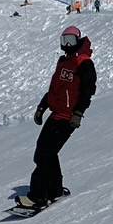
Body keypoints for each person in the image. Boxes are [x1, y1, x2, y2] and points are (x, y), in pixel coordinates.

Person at [16, 25, 95, 210]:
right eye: (64, 40)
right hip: (56, 114)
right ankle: (55, 190)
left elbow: (88, 90)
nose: (67, 44)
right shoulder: (64, 61)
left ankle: (37, 196)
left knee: (43, 155)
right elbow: (55, 90)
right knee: (46, 152)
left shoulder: (83, 62)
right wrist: (42, 107)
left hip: (67, 117)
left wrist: (78, 113)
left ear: (78, 41)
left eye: (71, 40)